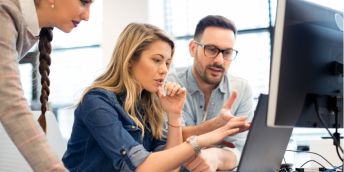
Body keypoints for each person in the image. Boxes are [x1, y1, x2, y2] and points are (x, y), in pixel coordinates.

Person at [62, 22, 249, 172]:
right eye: (157, 60)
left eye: (167, 62)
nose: (164, 70)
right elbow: (143, 167)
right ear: (130, 60)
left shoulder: (147, 104)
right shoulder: (96, 102)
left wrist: (174, 116)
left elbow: (171, 168)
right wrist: (201, 140)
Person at [0, 0, 92, 171]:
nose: (87, 16)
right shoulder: (4, 12)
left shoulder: (26, 26)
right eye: (83, 2)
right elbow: (10, 105)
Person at [167, 15, 254, 171]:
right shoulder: (169, 84)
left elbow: (241, 150)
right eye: (212, 50)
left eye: (227, 52)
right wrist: (217, 124)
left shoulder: (242, 89)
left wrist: (217, 156)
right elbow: (169, 142)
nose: (219, 60)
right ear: (193, 49)